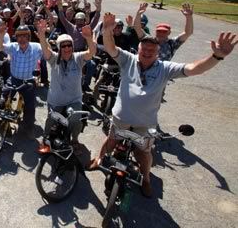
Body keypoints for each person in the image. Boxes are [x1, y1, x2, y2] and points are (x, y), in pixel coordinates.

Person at [88, 12, 237, 198]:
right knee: (111, 140)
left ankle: (147, 178)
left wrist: (216, 57)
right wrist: (108, 31)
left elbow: (194, 69)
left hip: (145, 123)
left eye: (151, 51)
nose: (147, 53)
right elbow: (110, 48)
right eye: (144, 50)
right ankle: (99, 158)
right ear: (138, 50)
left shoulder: (165, 68)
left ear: (158, 53)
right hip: (121, 117)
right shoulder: (128, 60)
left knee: (144, 153)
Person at [39, 20, 96, 150]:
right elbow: (45, 50)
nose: (66, 49)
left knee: (76, 119)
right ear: (59, 48)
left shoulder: (78, 58)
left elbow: (91, 51)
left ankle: (74, 139)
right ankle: (46, 138)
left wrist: (88, 38)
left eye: (69, 45)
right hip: (56, 100)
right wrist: (42, 36)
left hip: (74, 99)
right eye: (63, 46)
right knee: (51, 120)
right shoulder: (54, 58)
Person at [0, 24, 43, 138]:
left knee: (30, 107)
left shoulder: (36, 47)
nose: (21, 39)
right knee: (3, 100)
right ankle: (1, 124)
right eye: (19, 36)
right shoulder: (13, 46)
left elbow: (47, 52)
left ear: (28, 37)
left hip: (28, 81)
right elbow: (0, 46)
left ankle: (29, 128)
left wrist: (43, 38)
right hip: (14, 79)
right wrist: (1, 34)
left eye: (24, 36)